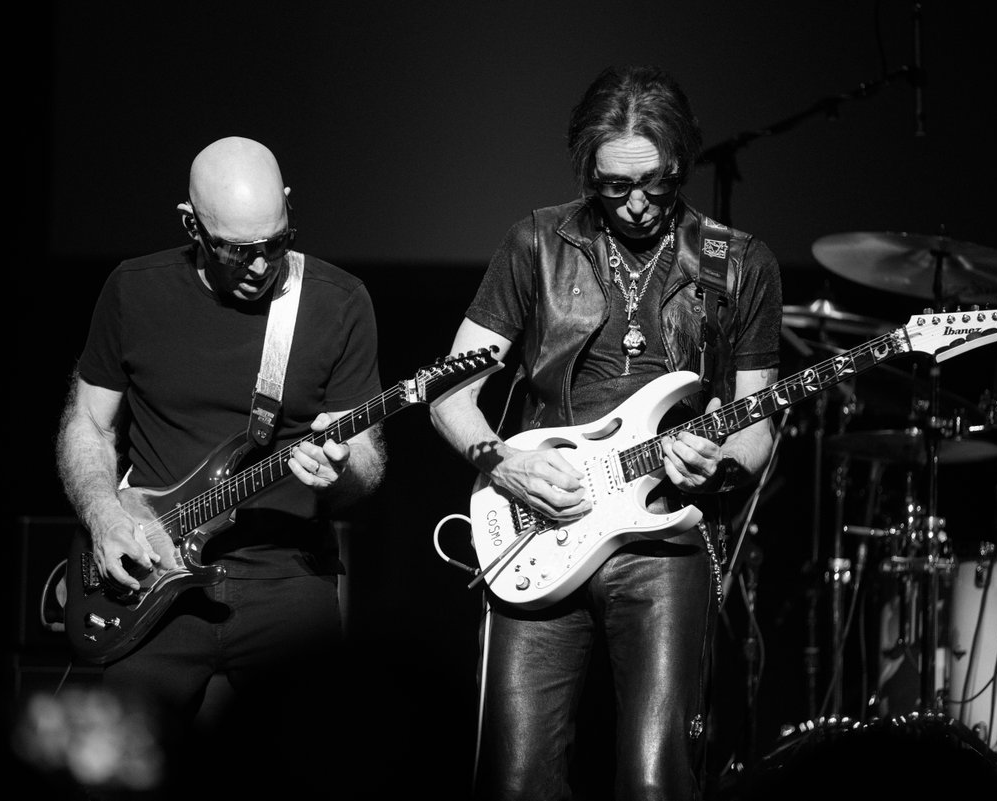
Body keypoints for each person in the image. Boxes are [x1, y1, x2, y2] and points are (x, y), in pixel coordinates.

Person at [430, 66, 783, 800]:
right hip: (538, 524)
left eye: (653, 183)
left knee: (656, 780)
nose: (635, 205)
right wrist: (503, 466)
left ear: (680, 161)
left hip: (662, 541)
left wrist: (717, 465)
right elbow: (447, 393)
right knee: (518, 780)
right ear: (588, 171)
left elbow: (759, 421)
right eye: (613, 186)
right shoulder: (537, 242)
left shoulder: (737, 262)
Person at [55, 136, 387, 798]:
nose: (262, 265)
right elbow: (87, 423)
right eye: (240, 249)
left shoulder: (339, 301)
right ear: (191, 224)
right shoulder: (133, 290)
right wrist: (102, 515)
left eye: (276, 240)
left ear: (289, 208)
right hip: (150, 574)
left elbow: (370, 462)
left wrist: (342, 470)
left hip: (288, 576)